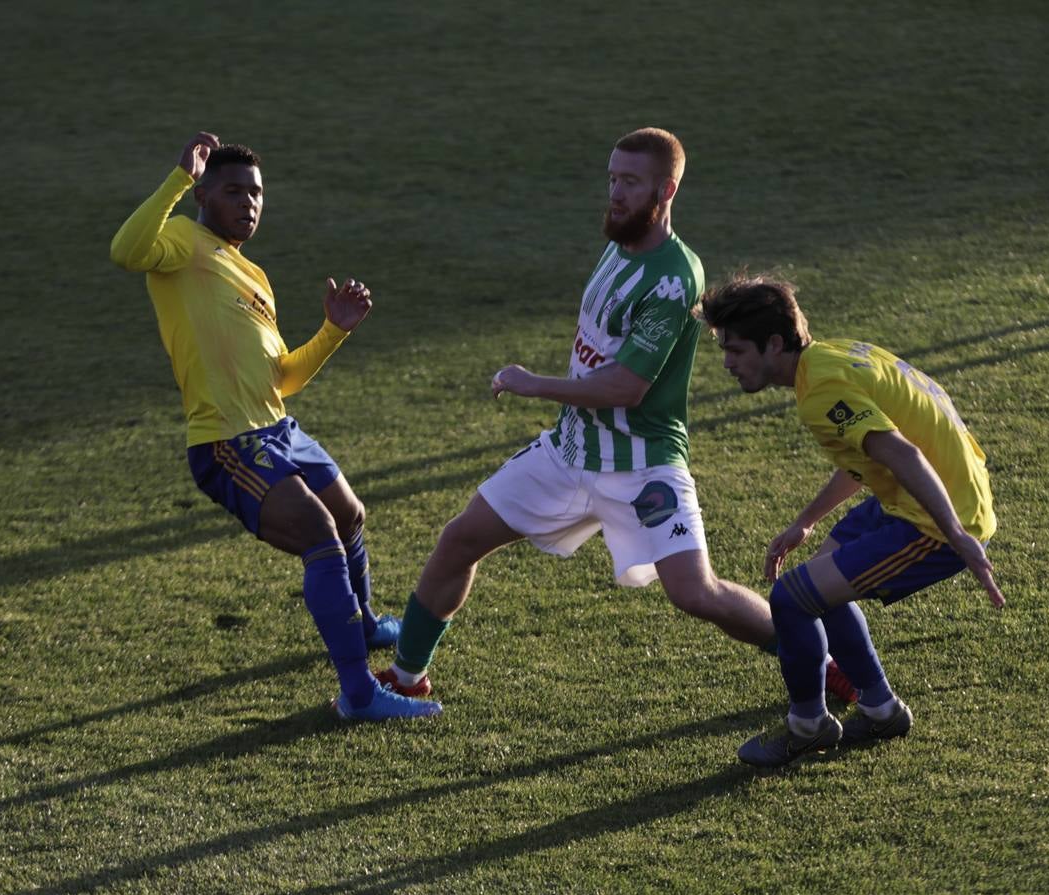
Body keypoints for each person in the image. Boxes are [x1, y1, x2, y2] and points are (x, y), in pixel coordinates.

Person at [376, 128, 854, 705]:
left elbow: (626, 387)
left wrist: (534, 385)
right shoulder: (618, 244)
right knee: (459, 540)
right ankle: (405, 679)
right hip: (569, 451)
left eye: (630, 182)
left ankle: (821, 661)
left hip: (642, 466)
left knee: (696, 593)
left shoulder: (674, 278)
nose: (616, 193)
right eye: (612, 179)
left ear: (667, 188)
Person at [110, 132, 440, 721]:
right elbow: (125, 250)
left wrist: (333, 330)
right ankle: (359, 695)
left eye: (257, 193)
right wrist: (179, 176)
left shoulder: (254, 275)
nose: (249, 203)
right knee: (320, 535)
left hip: (279, 429)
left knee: (349, 515)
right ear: (204, 195)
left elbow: (281, 378)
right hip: (227, 441)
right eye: (233, 191)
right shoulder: (182, 244)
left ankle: (362, 627)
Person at [693, 275, 1004, 767]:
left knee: (790, 599)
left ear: (774, 343)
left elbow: (899, 452)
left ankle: (807, 724)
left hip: (935, 517)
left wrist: (956, 534)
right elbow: (872, 451)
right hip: (918, 494)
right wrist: (807, 521)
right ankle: (880, 708)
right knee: (824, 573)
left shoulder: (820, 391)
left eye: (734, 350)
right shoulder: (832, 357)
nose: (728, 364)